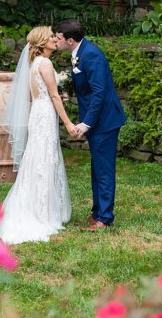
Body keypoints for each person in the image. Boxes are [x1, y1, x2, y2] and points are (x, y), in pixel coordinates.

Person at [0, 26, 73, 244]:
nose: (54, 39)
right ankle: (42, 213)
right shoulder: (46, 63)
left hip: (38, 112)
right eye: (51, 37)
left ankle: (41, 207)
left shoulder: (34, 64)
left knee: (38, 157)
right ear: (42, 42)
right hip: (45, 113)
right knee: (44, 158)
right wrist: (68, 122)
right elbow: (54, 96)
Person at [53, 18, 126, 230]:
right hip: (98, 121)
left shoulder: (91, 54)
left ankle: (104, 218)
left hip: (105, 121)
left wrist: (86, 123)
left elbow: (99, 93)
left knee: (103, 170)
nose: (56, 41)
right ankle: (97, 213)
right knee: (97, 168)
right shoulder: (80, 52)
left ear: (70, 40)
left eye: (59, 38)